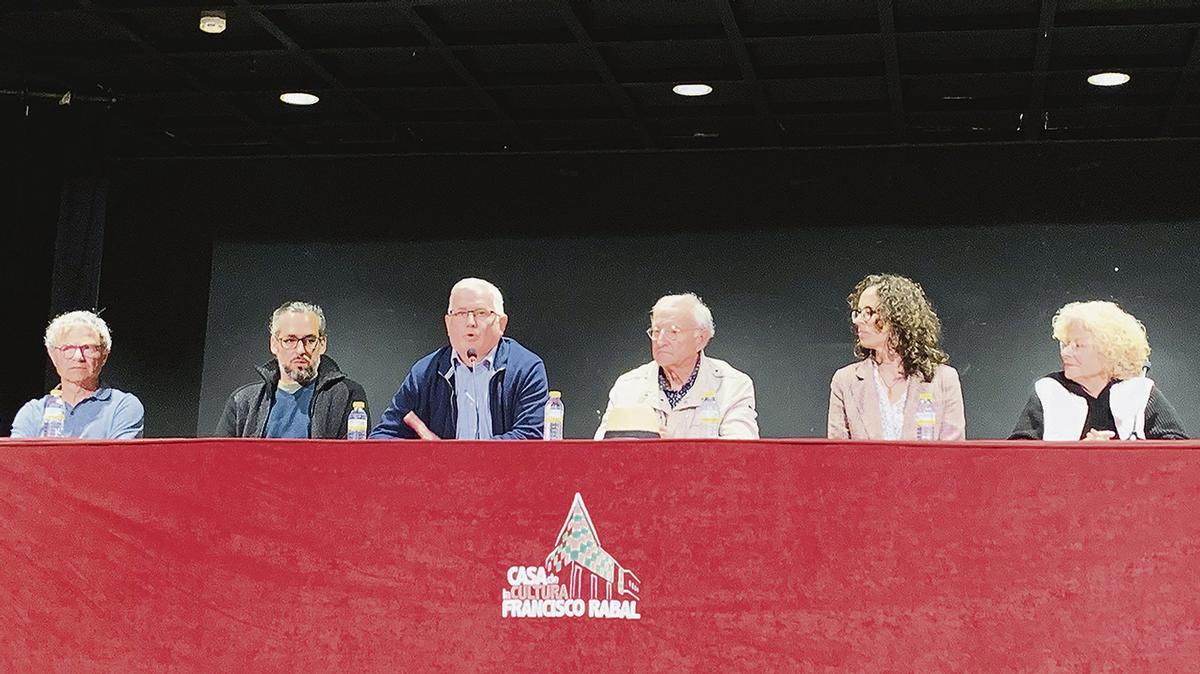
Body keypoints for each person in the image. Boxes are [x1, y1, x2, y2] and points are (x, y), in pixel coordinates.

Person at [370, 278, 548, 439]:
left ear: (502, 323)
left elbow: (530, 436)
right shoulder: (425, 372)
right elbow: (382, 437)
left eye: (481, 313)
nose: (470, 322)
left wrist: (456, 455)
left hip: (505, 466)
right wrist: (426, 454)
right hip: (439, 467)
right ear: (448, 323)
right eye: (461, 314)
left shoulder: (525, 368)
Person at [1009, 300, 1186, 440]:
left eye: (1078, 345)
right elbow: (1017, 455)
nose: (1065, 353)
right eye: (1065, 344)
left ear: (1109, 352)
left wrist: (1118, 453)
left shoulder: (1140, 393)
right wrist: (1081, 453)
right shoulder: (1049, 391)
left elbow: (1177, 451)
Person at [595, 293, 758, 439]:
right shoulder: (627, 387)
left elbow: (742, 450)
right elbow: (600, 450)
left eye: (673, 332)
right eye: (656, 332)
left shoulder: (733, 386)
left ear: (701, 339)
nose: (660, 341)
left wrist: (674, 449)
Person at [828, 274, 965, 440]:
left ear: (898, 317)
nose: (857, 321)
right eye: (858, 312)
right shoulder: (845, 381)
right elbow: (837, 453)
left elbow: (953, 452)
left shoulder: (943, 380)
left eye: (868, 312)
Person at [215, 301, 369, 438]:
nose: (301, 350)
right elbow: (219, 456)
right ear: (274, 344)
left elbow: (353, 458)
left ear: (322, 344)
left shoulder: (346, 394)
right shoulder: (244, 401)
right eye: (290, 340)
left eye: (310, 340)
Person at [10, 310, 144, 439]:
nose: (78, 356)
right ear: (53, 355)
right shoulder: (33, 413)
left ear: (104, 356)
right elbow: (16, 454)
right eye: (68, 348)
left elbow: (119, 454)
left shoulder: (122, 406)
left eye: (88, 348)